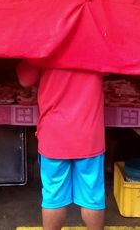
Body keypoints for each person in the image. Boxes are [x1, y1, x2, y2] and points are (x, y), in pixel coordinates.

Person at [16, 60, 105, 230]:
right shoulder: (95, 39)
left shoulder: (46, 43)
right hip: (89, 133)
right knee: (92, 196)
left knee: (53, 195)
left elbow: (25, 80)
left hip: (54, 133)